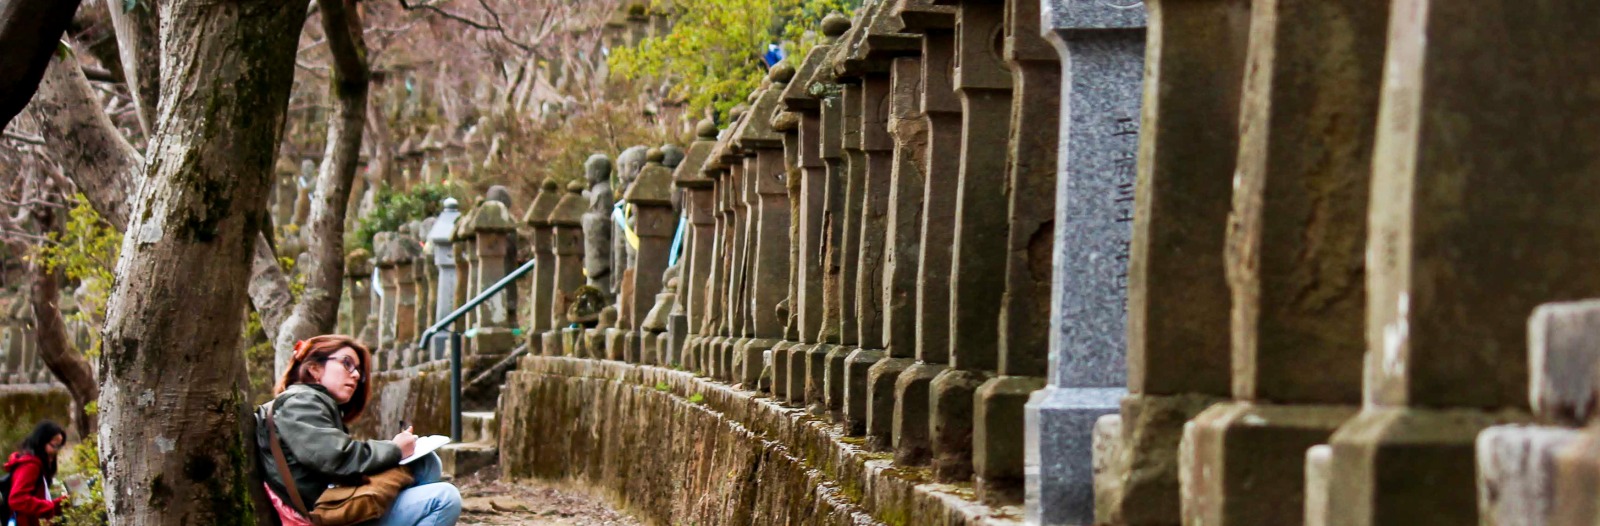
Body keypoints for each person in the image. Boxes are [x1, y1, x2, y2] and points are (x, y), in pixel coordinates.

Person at [257, 335, 461, 526]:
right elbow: (335, 458)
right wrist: (395, 449)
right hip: (324, 511)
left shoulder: (310, 402)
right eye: (347, 363)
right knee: (445, 498)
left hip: (335, 497)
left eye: (358, 371)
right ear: (314, 369)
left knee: (425, 463)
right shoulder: (300, 402)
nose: (355, 375)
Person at [6, 421, 69, 526]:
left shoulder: (36, 465)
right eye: (54, 446)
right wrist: (49, 507)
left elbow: (38, 499)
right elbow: (17, 499)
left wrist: (63, 503)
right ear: (41, 442)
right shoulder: (30, 466)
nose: (56, 451)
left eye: (59, 446)